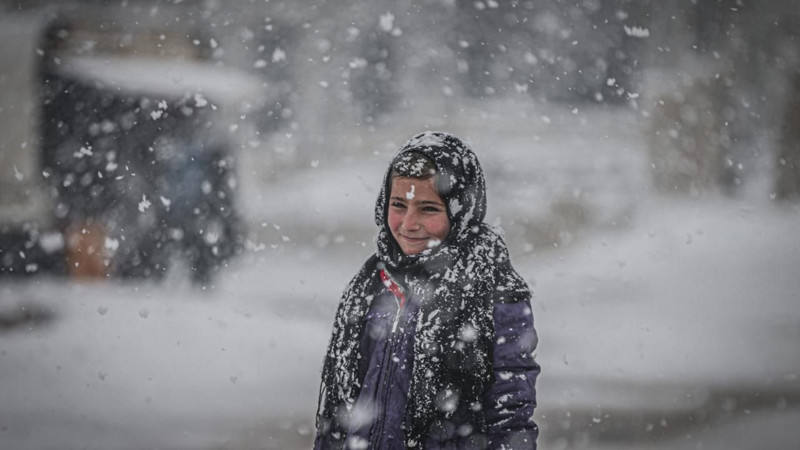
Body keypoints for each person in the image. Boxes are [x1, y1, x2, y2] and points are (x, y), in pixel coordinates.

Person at [314, 131, 539, 449]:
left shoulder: (492, 290)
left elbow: (510, 413)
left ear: (461, 210)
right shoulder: (373, 282)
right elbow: (341, 410)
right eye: (398, 204)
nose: (409, 223)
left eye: (428, 209)